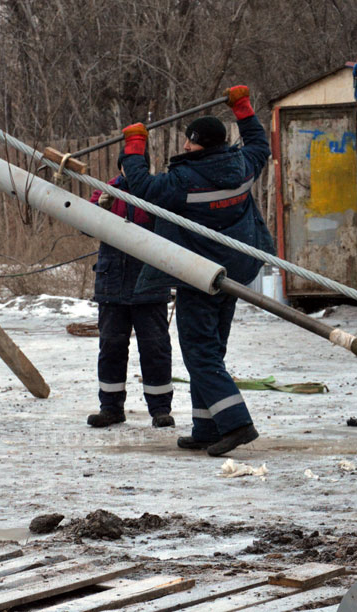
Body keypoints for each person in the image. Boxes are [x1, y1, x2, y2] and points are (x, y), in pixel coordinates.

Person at [117, 85, 275, 456]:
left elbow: (140, 185)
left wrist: (136, 146)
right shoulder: (243, 167)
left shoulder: (183, 182)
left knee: (200, 352)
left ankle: (236, 424)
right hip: (235, 273)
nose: (185, 148)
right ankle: (208, 427)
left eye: (189, 144)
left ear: (199, 145)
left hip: (200, 275)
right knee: (212, 350)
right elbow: (259, 143)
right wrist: (244, 109)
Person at [86, 164, 175, 429]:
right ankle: (110, 408)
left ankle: (160, 410)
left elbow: (170, 227)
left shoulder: (156, 192)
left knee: (155, 348)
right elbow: (84, 226)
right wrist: (99, 208)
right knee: (111, 347)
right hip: (112, 284)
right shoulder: (106, 192)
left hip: (149, 285)